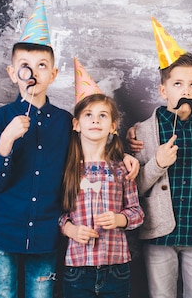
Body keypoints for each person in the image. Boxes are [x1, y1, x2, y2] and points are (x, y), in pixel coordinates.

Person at [0, 0, 139, 298]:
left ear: (53, 75)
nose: (34, 73)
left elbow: (93, 150)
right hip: (3, 232)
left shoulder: (66, 122)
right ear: (13, 73)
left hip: (45, 235)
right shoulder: (0, 119)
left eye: (42, 66)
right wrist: (6, 142)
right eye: (25, 66)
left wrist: (126, 157)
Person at [133, 19, 192, 298]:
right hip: (160, 232)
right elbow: (135, 188)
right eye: (178, 83)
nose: (185, 90)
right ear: (163, 90)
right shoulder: (143, 130)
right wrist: (157, 163)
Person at [59, 76, 144, 298]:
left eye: (102, 116)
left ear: (113, 126)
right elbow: (58, 214)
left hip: (116, 267)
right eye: (88, 115)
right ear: (76, 124)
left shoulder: (122, 169)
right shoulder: (68, 169)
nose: (95, 121)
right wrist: (72, 230)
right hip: (78, 268)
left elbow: (137, 212)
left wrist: (119, 219)